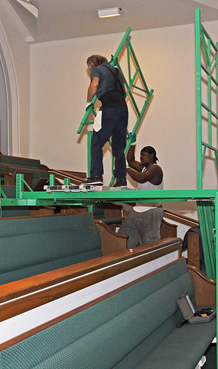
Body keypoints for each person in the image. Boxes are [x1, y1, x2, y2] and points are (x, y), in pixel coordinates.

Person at [85, 54, 128, 187]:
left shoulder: (97, 70)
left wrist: (88, 102)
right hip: (123, 110)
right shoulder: (117, 71)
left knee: (97, 142)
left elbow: (94, 84)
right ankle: (121, 179)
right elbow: (124, 90)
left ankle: (96, 175)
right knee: (119, 147)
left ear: (93, 63)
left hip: (109, 109)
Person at [119, 140, 164, 248]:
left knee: (150, 245)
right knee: (123, 239)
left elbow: (141, 178)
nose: (141, 157)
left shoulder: (155, 169)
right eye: (140, 155)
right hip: (137, 210)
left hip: (151, 211)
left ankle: (154, 263)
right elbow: (130, 160)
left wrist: (126, 170)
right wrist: (133, 143)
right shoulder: (144, 168)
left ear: (152, 156)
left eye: (143, 155)